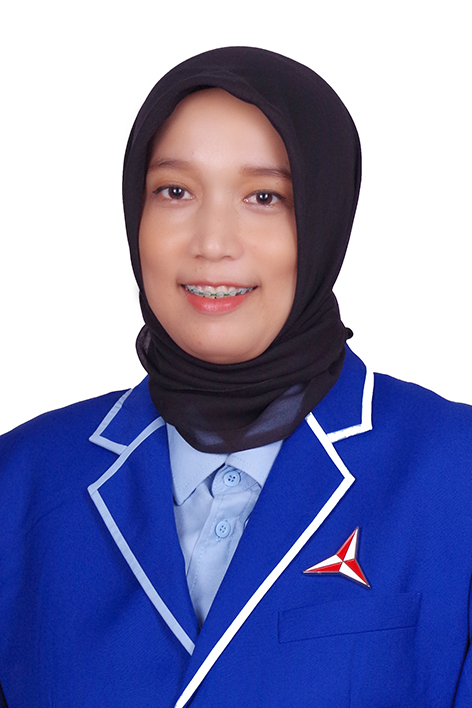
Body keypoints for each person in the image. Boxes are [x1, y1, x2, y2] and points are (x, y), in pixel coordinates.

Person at [0, 46, 471, 708]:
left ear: (326, 217)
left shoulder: (454, 470)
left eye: (263, 196)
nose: (213, 242)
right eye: (175, 191)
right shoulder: (21, 479)